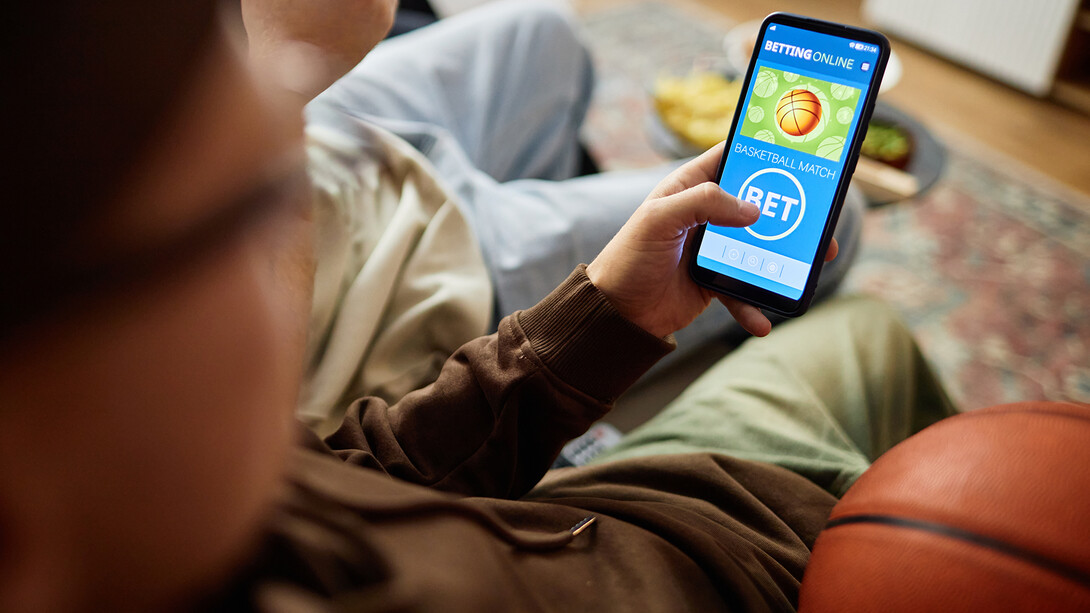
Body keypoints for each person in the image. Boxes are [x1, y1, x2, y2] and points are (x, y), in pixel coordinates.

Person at [0, 1, 953, 611]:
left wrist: (601, 321)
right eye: (256, 207)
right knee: (859, 309)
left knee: (541, 38)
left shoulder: (180, 513)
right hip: (752, 550)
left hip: (646, 503)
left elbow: (359, 469)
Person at [294, 0, 869, 427]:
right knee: (835, 218)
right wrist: (587, 317)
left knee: (543, 31)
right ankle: (539, 321)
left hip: (324, 138)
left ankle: (541, 237)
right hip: (390, 273)